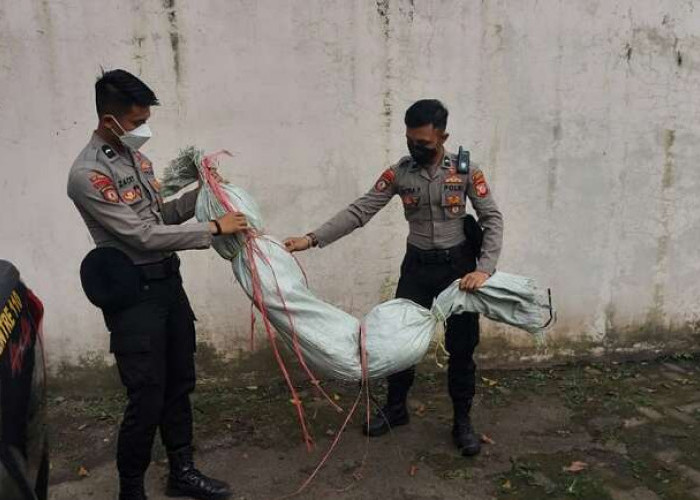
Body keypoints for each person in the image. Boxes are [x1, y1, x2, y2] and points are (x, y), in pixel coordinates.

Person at [284, 99, 504, 457]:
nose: (416, 148)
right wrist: (311, 239)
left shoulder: (466, 171)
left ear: (443, 137)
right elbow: (361, 210)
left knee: (462, 349)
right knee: (397, 343)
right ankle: (397, 408)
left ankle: (462, 421)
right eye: (410, 140)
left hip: (458, 270)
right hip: (416, 268)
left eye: (424, 143)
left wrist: (484, 269)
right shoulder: (400, 173)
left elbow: (492, 219)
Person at [67, 69, 245, 500]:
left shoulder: (136, 160)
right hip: (134, 298)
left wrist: (201, 194)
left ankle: (181, 472)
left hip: (168, 286)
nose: (142, 130)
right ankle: (132, 488)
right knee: (146, 396)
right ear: (109, 120)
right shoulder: (89, 175)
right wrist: (212, 229)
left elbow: (158, 218)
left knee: (180, 382)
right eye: (135, 122)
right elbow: (139, 236)